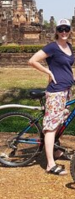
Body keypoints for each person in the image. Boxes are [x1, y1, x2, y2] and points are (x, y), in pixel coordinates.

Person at [28, 18, 74, 176]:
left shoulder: (69, 46)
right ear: (56, 31)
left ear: (70, 30)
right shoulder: (52, 47)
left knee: (61, 121)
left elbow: (66, 67)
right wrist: (48, 72)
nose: (64, 32)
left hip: (67, 90)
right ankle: (50, 164)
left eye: (66, 29)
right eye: (61, 29)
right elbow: (32, 60)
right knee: (51, 127)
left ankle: (56, 151)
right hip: (56, 91)